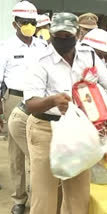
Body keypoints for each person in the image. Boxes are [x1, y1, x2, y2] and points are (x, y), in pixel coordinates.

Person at [23, 12, 107, 214]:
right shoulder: (40, 60)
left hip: (80, 130)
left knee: (78, 195)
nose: (61, 40)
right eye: (57, 35)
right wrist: (52, 100)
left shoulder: (89, 56)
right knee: (45, 198)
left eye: (67, 36)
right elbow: (31, 104)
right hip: (46, 130)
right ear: (50, 34)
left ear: (77, 35)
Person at [0, 1, 47, 214]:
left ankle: (37, 193)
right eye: (24, 22)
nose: (29, 26)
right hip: (15, 100)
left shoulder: (43, 46)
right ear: (14, 24)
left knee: (39, 147)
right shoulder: (5, 48)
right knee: (16, 152)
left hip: (39, 101)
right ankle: (19, 199)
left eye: (32, 22)